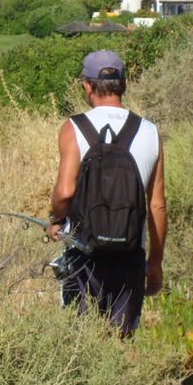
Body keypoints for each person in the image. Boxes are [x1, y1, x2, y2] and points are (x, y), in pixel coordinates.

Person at [45, 50, 166, 337]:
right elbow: (157, 206)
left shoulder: (74, 127)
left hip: (83, 254)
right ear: (125, 84)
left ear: (86, 86)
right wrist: (156, 263)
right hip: (130, 255)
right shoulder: (149, 131)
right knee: (122, 342)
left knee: (78, 342)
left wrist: (55, 220)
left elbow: (64, 192)